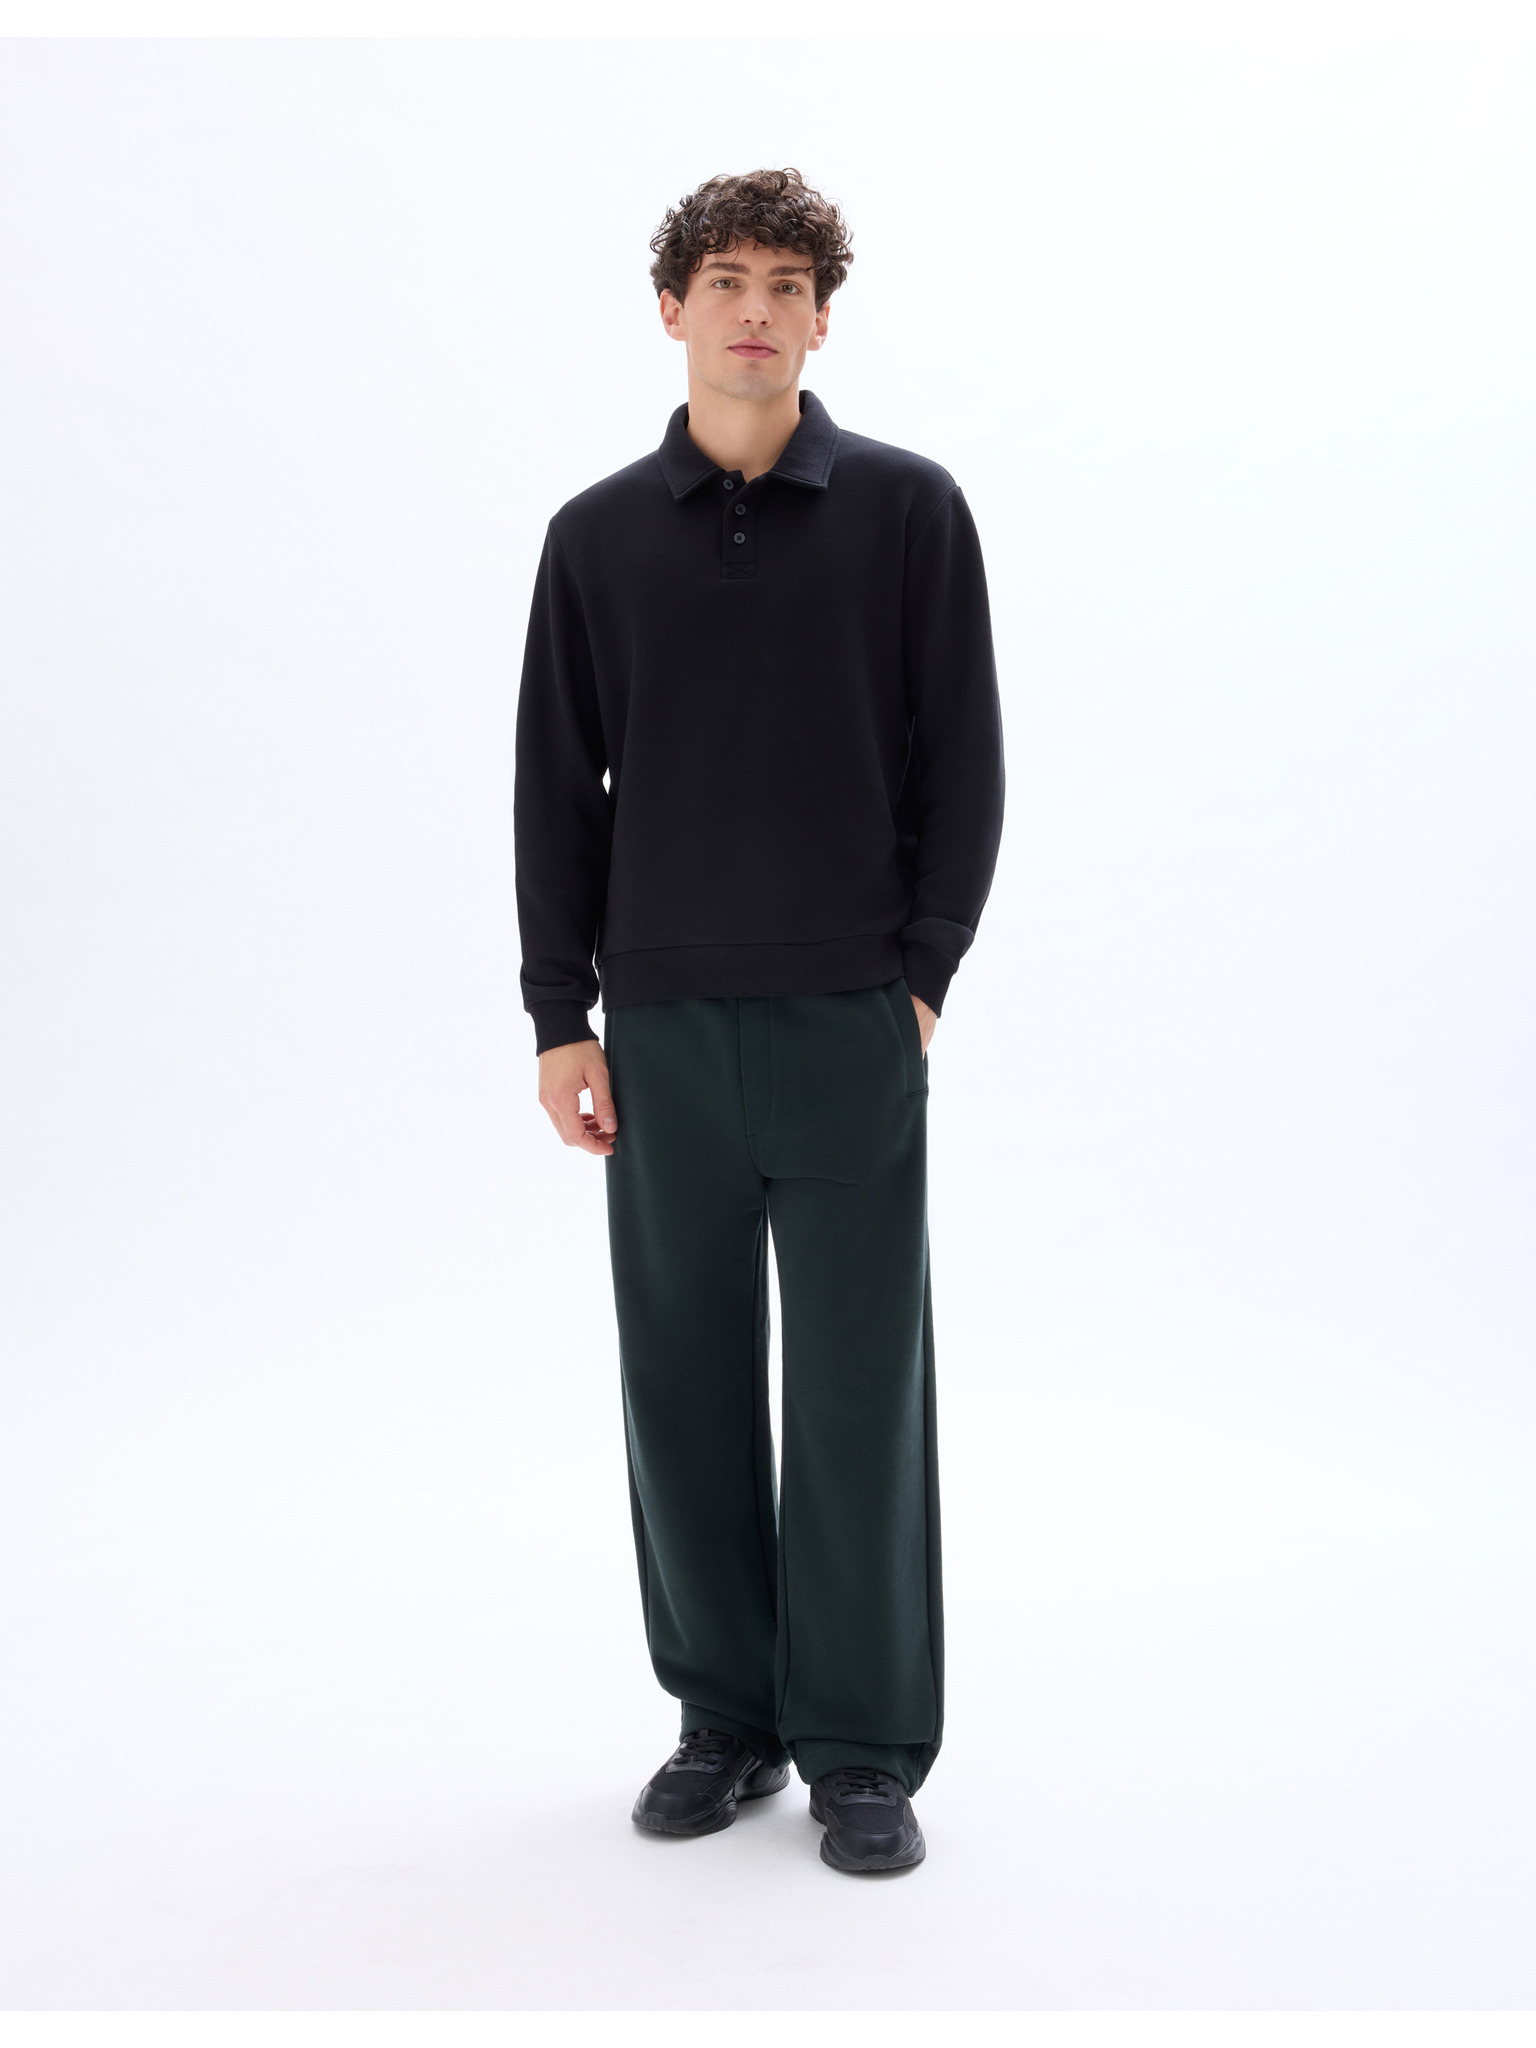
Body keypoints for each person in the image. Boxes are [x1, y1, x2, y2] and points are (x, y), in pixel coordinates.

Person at [513, 167, 1004, 1874]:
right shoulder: (594, 538)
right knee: (684, 1378)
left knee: (863, 1386)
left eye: (788, 284)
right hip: (658, 1027)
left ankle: (862, 1746)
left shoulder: (907, 511)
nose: (755, 309)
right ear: (671, 308)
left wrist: (922, 972)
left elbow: (966, 757)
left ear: (821, 319)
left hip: (851, 1012)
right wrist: (560, 1013)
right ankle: (724, 1720)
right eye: (725, 278)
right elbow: (554, 789)